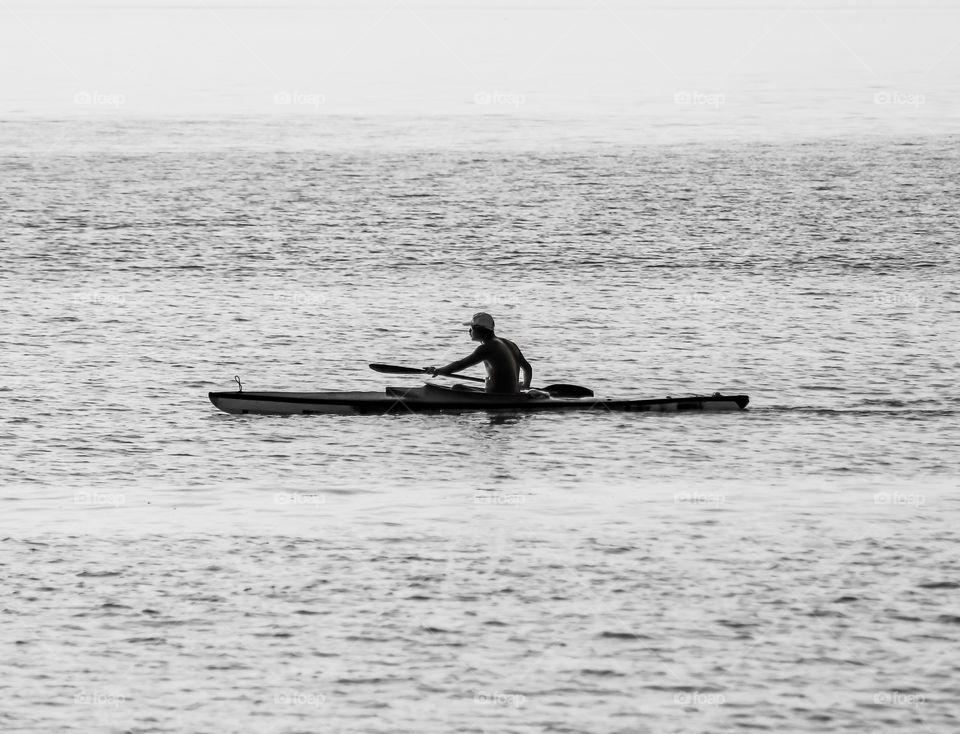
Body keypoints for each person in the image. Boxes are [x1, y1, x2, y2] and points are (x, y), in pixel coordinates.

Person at [425, 313, 533, 393]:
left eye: (471, 328)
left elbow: (460, 364)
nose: (469, 331)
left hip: (497, 396)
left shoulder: (486, 347)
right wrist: (526, 385)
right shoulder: (510, 344)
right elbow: (528, 368)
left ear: (479, 329)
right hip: (514, 394)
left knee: (457, 388)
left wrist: (437, 370)